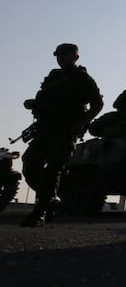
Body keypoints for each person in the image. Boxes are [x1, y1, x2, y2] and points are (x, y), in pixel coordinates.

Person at [20, 43, 103, 227]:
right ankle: (51, 199)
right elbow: (48, 100)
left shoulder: (82, 78)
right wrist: (34, 104)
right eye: (59, 55)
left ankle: (40, 212)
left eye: (65, 55)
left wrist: (80, 124)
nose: (61, 58)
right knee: (30, 165)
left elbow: (97, 104)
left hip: (66, 130)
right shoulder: (54, 76)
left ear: (75, 57)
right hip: (45, 128)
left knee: (53, 169)